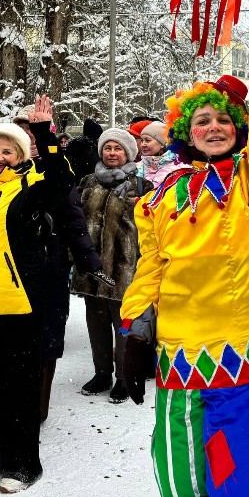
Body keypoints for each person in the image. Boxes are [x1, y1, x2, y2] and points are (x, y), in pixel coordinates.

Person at [121, 0, 249, 497]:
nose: (214, 128)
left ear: (237, 129)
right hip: (179, 357)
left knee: (243, 479)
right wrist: (135, 331)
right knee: (182, 477)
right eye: (201, 122)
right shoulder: (160, 193)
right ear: (186, 132)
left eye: (222, 121)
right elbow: (151, 264)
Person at [0, 96, 74, 494]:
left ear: (20, 155)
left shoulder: (33, 184)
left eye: (8, 150)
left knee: (19, 387)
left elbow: (62, 177)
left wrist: (43, 132)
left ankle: (23, 463)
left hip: (18, 302)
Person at [8, 110, 112, 422]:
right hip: (7, 273)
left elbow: (74, 221)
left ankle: (38, 408)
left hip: (49, 267)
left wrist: (89, 262)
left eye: (35, 135)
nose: (31, 141)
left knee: (47, 339)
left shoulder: (56, 173)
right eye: (23, 135)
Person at [72, 127, 151, 404]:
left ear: (128, 153)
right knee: (96, 321)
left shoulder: (141, 184)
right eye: (108, 148)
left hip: (124, 265)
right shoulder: (87, 182)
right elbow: (75, 219)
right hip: (92, 265)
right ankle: (102, 373)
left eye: (118, 148)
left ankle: (123, 377)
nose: (112, 153)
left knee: (123, 323)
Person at [137, 120, 185, 186]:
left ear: (162, 144)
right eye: (142, 140)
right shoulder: (137, 168)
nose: (143, 144)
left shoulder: (179, 168)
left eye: (147, 140)